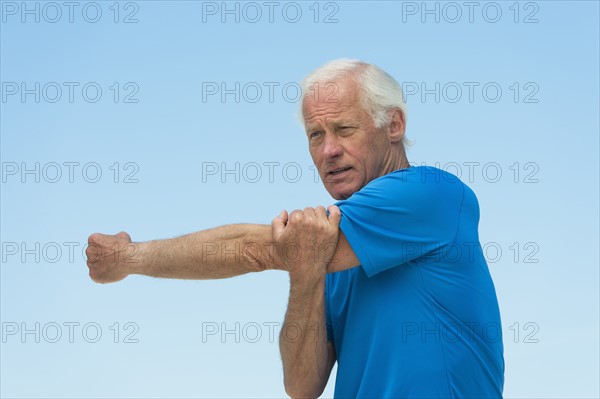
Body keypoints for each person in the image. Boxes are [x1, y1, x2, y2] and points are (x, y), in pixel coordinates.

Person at [86, 59, 504, 398]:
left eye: (344, 129)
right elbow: (302, 386)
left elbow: (258, 249)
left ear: (393, 125)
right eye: (314, 135)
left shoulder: (431, 194)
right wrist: (306, 273)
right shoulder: (332, 245)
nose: (328, 151)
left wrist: (129, 258)